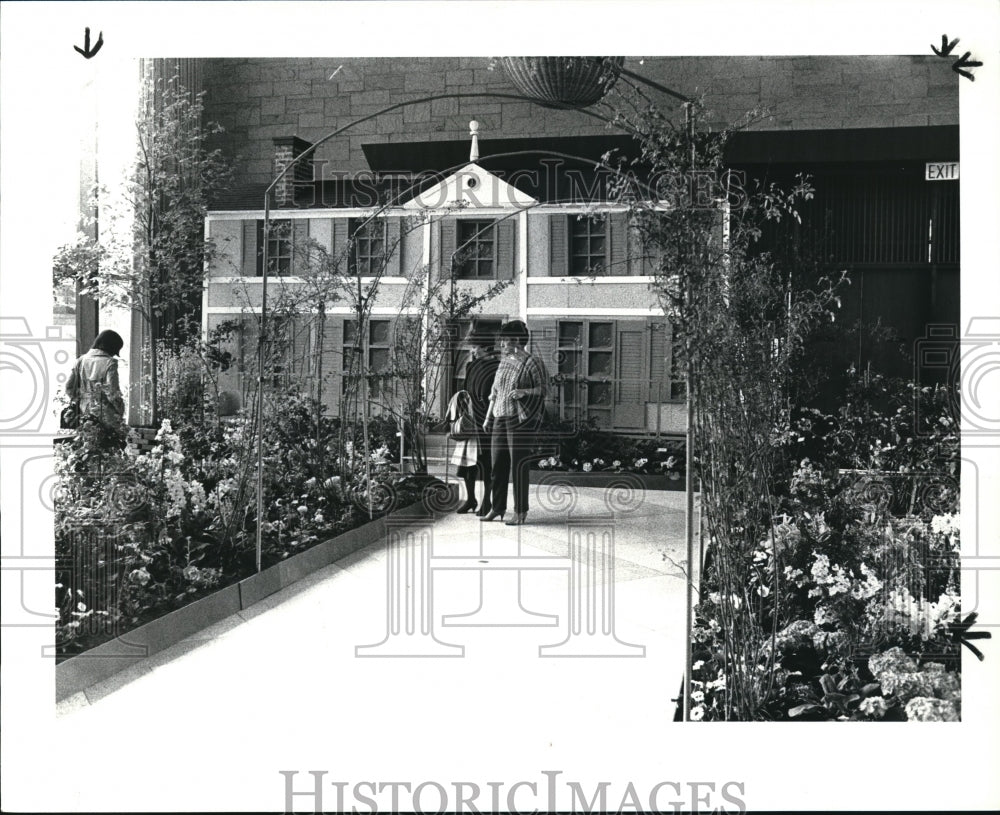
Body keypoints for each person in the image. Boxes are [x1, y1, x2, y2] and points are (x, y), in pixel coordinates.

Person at [481, 320, 547, 526]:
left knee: (518, 465)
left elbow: (544, 390)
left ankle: (520, 511)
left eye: (505, 341)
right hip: (500, 418)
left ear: (517, 340)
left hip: (520, 420)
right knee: (497, 465)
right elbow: (494, 393)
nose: (501, 345)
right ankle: (497, 507)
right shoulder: (504, 362)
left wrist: (524, 392)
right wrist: (487, 417)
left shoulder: (532, 362)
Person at [457, 326, 499, 516]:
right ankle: (471, 499)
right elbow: (465, 391)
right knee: (467, 462)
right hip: (470, 417)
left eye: (474, 347)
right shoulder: (471, 366)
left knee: (486, 463)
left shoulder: (496, 367)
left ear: (485, 347)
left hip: (487, 419)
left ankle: (487, 501)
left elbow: (495, 395)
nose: (472, 350)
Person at [66, 329, 126, 443]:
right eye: (115, 350)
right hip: (107, 416)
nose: (114, 354)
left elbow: (69, 388)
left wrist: (81, 400)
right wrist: (121, 410)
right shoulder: (110, 362)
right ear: (111, 347)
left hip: (85, 413)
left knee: (89, 449)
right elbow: (113, 393)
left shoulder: (81, 360)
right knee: (110, 450)